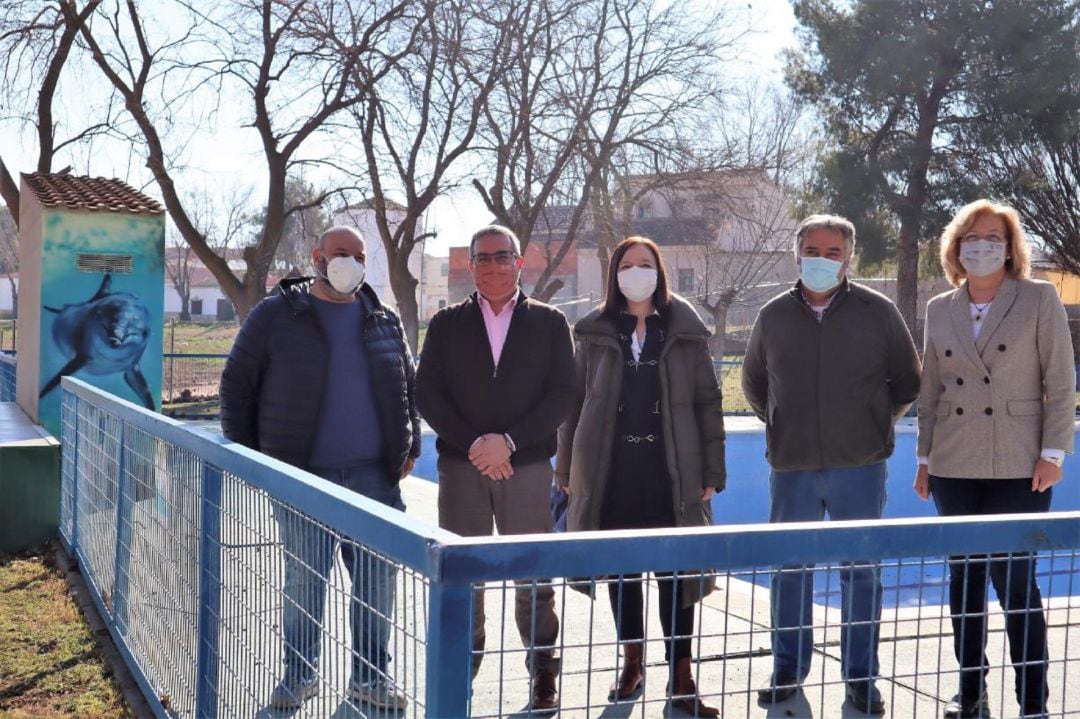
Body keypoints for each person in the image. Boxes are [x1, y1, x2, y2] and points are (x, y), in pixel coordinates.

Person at [220, 226, 420, 712]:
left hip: (375, 479)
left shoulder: (383, 319)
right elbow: (236, 387)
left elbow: (407, 385)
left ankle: (370, 677)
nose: (347, 262)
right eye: (338, 254)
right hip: (302, 478)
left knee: (377, 585)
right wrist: (257, 458)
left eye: (356, 255)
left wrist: (409, 442)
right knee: (305, 584)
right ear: (316, 257)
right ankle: (299, 676)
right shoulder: (276, 315)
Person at [742, 214, 921, 715]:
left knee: (861, 573)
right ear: (796, 253)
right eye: (812, 249)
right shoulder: (773, 315)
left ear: (849, 258)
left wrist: (869, 424)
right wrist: (782, 425)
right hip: (792, 465)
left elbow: (907, 381)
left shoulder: (878, 311)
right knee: (789, 569)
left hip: (860, 466)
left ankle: (861, 677)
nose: (822, 259)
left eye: (833, 251)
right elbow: (755, 384)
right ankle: (786, 668)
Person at [913, 200, 1074, 719]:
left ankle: (1033, 702)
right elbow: (932, 388)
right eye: (971, 236)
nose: (981, 245)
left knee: (1017, 584)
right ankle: (971, 690)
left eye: (994, 237)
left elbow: (1060, 381)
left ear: (1010, 248)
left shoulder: (1039, 298)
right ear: (956, 246)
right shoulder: (940, 308)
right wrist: (924, 458)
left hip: (1020, 462)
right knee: (964, 583)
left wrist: (1054, 453)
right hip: (953, 464)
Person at [555, 236, 725, 716]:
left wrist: (712, 468)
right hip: (611, 471)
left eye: (645, 264)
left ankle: (682, 675)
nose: (636, 272)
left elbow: (708, 403)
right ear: (614, 274)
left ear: (660, 271)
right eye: (626, 265)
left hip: (673, 469)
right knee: (624, 571)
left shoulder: (684, 330)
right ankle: (632, 663)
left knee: (680, 572)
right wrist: (565, 470)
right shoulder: (594, 331)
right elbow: (573, 406)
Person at [415, 224, 575, 712]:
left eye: (500, 256)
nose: (490, 266)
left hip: (525, 469)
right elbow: (427, 394)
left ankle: (543, 675)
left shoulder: (549, 323)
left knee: (534, 579)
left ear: (518, 261)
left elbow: (562, 396)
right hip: (462, 470)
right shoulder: (445, 325)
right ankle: (459, 672)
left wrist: (508, 443)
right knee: (465, 579)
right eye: (480, 258)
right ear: (470, 265)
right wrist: (475, 446)